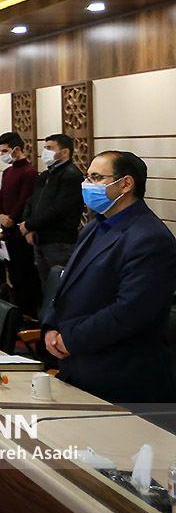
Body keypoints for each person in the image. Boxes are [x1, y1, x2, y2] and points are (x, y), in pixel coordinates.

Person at [41, 151, 176, 404]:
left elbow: (130, 312)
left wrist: (71, 339)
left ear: (126, 184)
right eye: (87, 178)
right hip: (78, 363)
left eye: (96, 178)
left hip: (121, 375)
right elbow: (67, 283)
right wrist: (51, 326)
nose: (87, 185)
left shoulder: (150, 238)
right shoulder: (95, 226)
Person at [20, 133, 85, 289]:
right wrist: (27, 223)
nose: (45, 152)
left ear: (65, 152)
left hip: (59, 241)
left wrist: (29, 225)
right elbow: (32, 200)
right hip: (40, 238)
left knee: (59, 286)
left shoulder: (71, 175)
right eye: (45, 148)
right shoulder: (46, 174)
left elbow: (59, 209)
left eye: (50, 148)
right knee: (46, 285)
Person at [0, 132, 40, 316]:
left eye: (5, 151)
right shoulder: (7, 172)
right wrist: (0, 215)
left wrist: (10, 218)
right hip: (7, 230)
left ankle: (27, 314)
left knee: (23, 275)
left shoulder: (29, 172)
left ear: (16, 149)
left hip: (20, 230)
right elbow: (1, 198)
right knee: (11, 274)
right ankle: (16, 312)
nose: (2, 155)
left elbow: (25, 200)